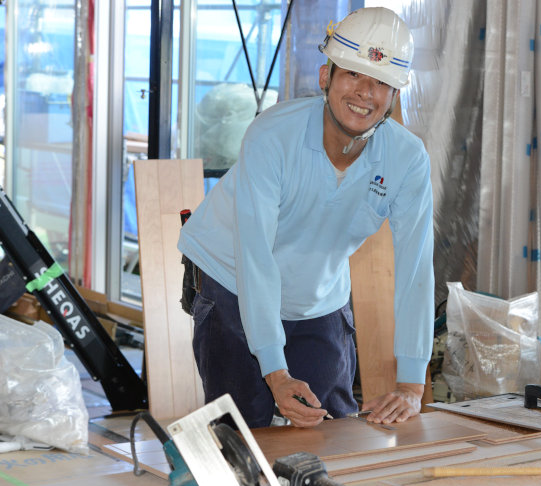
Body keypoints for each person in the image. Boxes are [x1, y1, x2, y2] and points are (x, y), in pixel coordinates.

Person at [177, 7, 434, 429]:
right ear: (325, 77)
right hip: (232, 278)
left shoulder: (407, 159)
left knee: (334, 429)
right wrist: (275, 371)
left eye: (381, 82)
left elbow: (415, 269)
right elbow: (255, 255)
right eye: (352, 74)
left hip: (317, 294)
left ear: (394, 96)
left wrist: (411, 383)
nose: (365, 92)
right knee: (243, 433)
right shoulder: (273, 135)